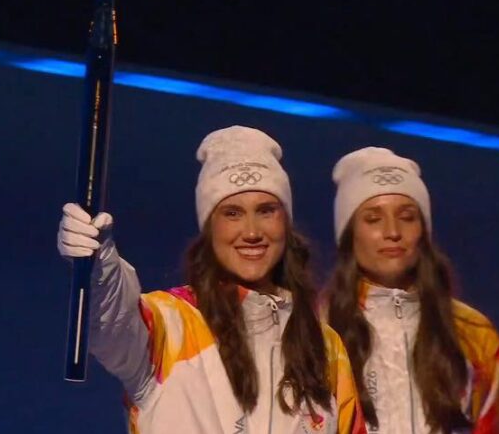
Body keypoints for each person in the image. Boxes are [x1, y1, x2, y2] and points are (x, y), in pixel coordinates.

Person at [58, 125, 364, 433]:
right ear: (209, 228)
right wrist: (99, 264)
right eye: (232, 213)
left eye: (266, 210)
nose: (252, 231)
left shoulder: (324, 346)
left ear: (286, 222)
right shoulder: (169, 324)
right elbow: (111, 323)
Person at [323, 147, 499, 433]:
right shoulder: (317, 330)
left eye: (407, 217)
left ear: (423, 229)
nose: (392, 232)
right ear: (349, 234)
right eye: (373, 218)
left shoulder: (473, 332)